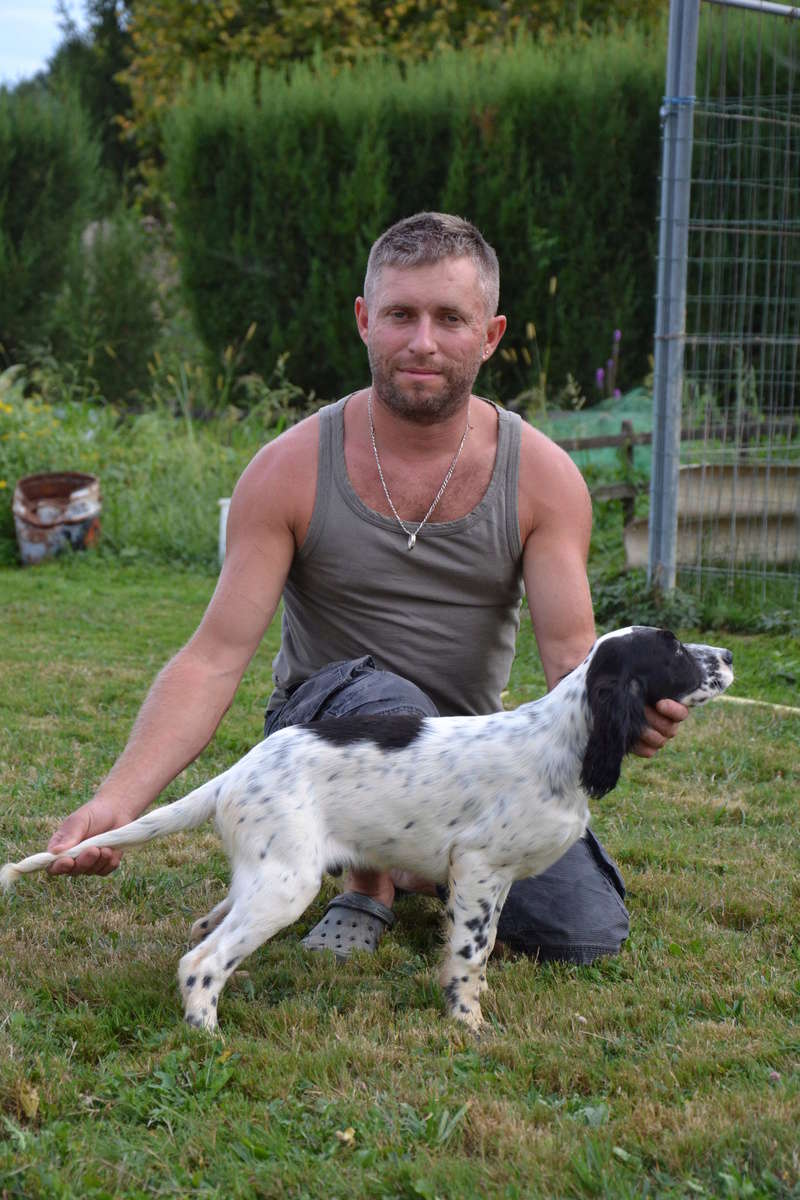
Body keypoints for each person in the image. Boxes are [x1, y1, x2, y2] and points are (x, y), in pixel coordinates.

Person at [47, 212, 688, 964]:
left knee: (583, 932)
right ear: (363, 321)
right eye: (400, 315)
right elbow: (214, 658)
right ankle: (367, 883)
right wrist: (117, 802)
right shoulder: (286, 469)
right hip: (326, 731)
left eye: (450, 317)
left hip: (465, 755)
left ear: (490, 334)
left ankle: (422, 855)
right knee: (390, 703)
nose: (423, 341)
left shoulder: (544, 478)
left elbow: (574, 658)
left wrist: (628, 714)